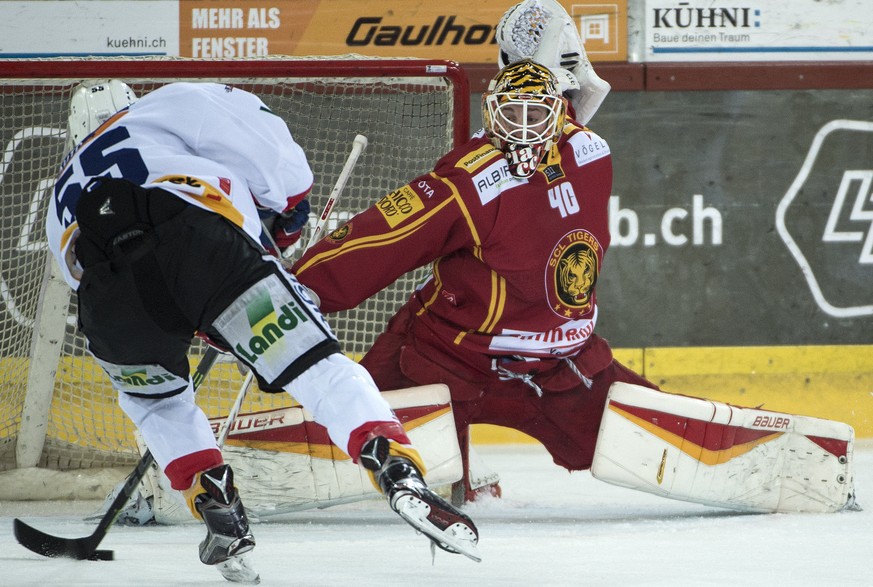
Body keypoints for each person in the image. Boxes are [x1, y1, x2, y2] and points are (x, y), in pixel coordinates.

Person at [46, 80, 479, 582]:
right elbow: (272, 154)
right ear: (127, 104)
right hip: (200, 250)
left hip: (110, 303)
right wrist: (279, 224)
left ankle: (215, 500)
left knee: (157, 403)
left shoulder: (63, 188)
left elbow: (79, 273)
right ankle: (395, 467)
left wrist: (196, 310)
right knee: (313, 367)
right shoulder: (165, 103)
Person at [291, 56, 654, 504]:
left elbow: (570, 110)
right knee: (352, 436)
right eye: (511, 113)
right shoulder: (469, 180)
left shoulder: (591, 151)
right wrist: (295, 288)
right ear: (491, 114)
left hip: (557, 363)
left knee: (649, 437)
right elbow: (389, 234)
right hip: (446, 356)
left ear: (559, 113)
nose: (523, 128)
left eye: (536, 113)